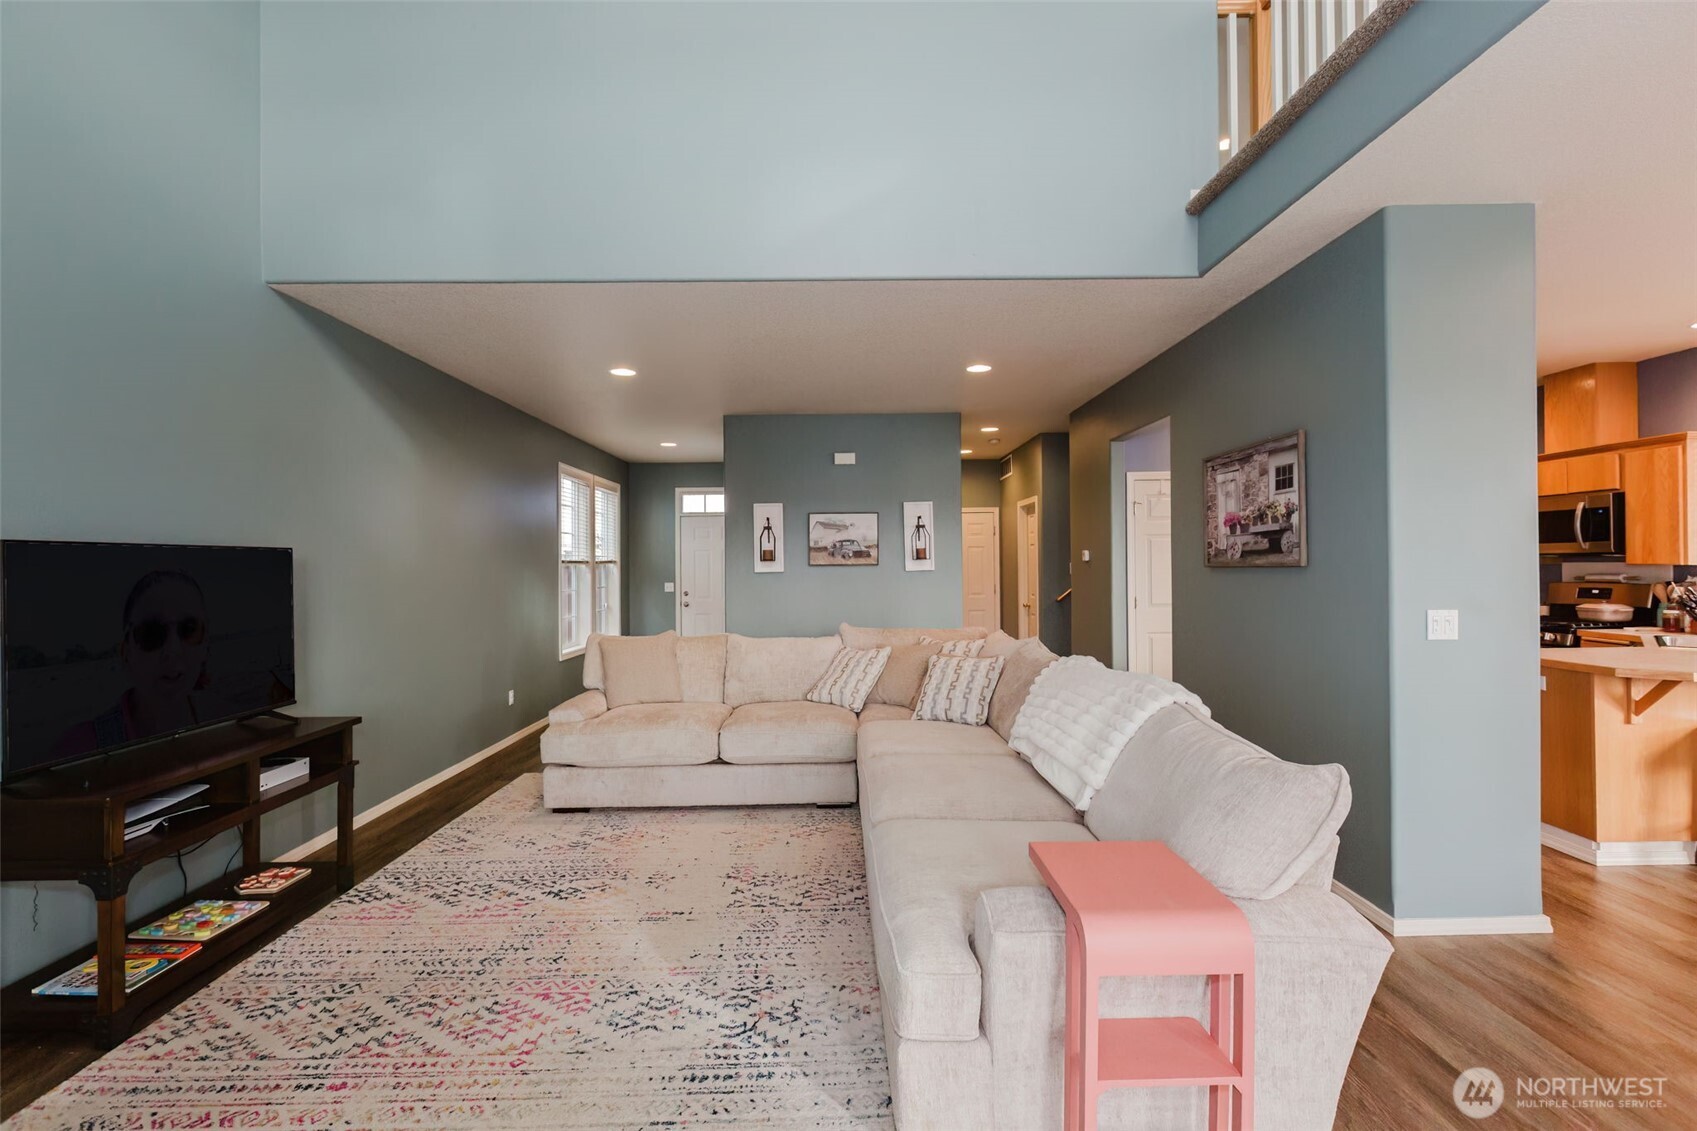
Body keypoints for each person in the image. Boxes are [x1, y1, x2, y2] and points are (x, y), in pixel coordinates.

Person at [53, 570, 212, 757]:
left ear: (206, 645)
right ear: (126, 652)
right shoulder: (77, 748)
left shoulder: (225, 719)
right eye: (151, 633)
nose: (173, 650)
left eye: (189, 629)